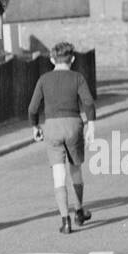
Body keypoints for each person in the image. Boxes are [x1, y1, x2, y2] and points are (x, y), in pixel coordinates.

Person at [28, 41, 95, 234]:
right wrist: (91, 125)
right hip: (73, 124)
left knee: (58, 175)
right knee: (75, 170)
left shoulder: (43, 79)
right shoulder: (77, 78)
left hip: (52, 127)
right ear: (72, 59)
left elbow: (33, 108)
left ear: (51, 59)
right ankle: (79, 210)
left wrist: (35, 127)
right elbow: (88, 103)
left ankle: (65, 221)